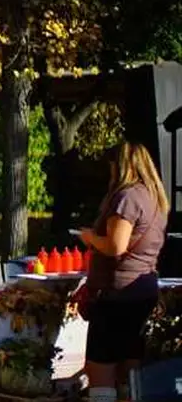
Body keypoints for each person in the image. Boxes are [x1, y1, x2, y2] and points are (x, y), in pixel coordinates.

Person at [77, 141, 168, 402]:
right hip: (143, 289)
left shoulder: (127, 197)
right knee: (131, 366)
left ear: (120, 166)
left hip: (117, 293)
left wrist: (90, 237)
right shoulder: (155, 197)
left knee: (101, 367)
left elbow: (116, 246)